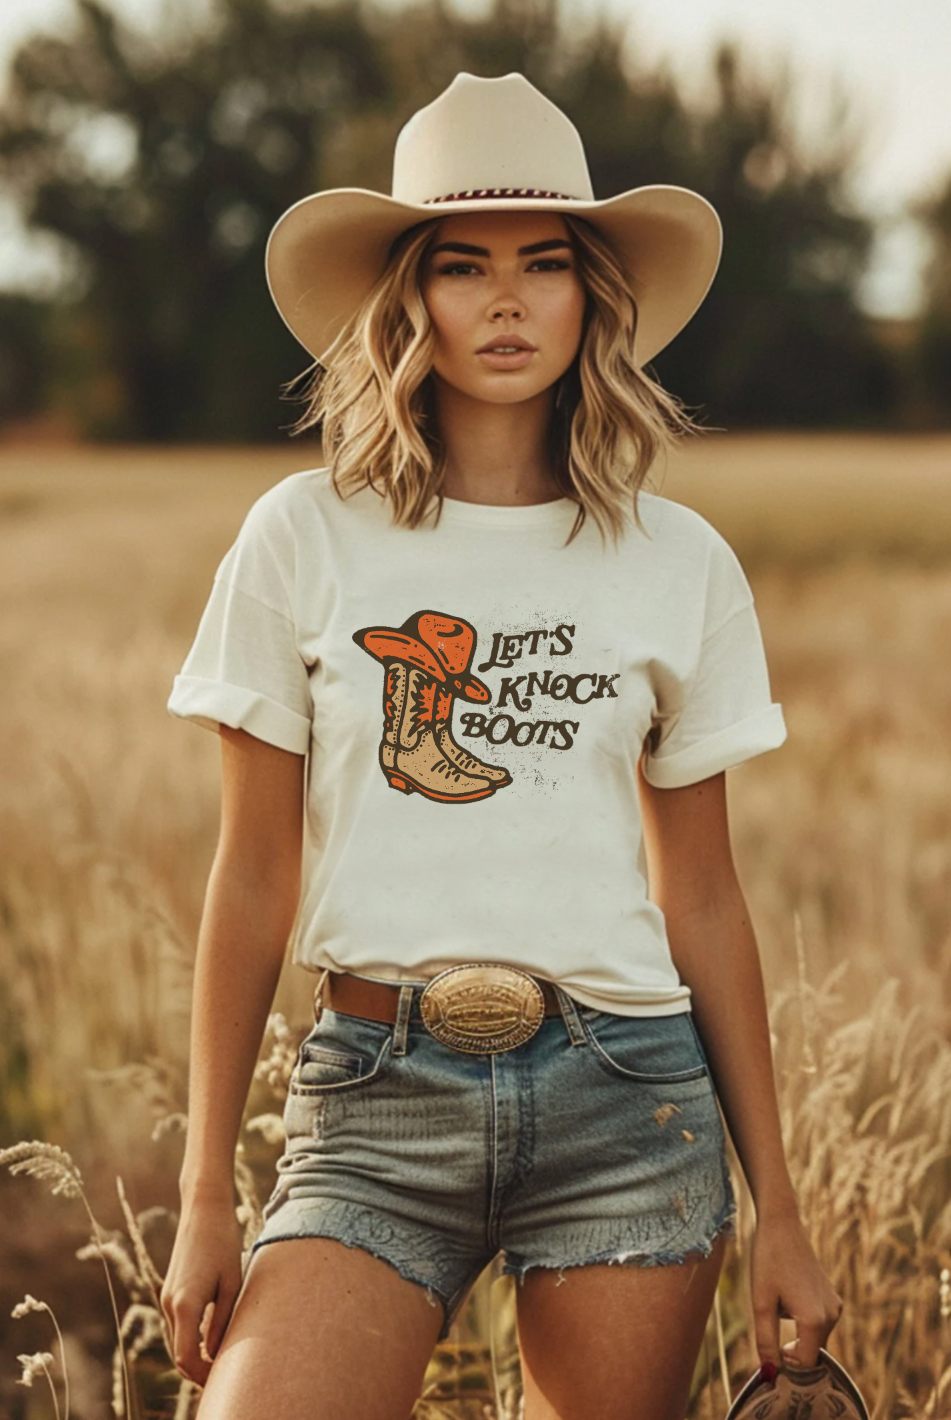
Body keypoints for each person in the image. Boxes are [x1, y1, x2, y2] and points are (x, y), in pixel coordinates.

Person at [161, 71, 843, 1420]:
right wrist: (201, 1196)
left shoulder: (676, 561)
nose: (507, 301)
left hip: (626, 1104)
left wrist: (782, 1208)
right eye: (462, 266)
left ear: (592, 295)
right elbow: (251, 878)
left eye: (545, 264)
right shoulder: (301, 535)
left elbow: (698, 891)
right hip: (370, 1104)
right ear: (407, 299)